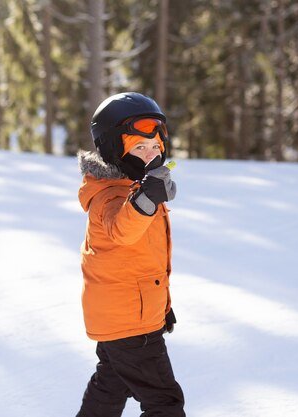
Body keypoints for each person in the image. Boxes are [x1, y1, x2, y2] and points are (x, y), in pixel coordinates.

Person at [76, 92, 185, 417]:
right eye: (140, 147)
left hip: (125, 315)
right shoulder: (109, 195)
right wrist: (145, 202)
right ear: (114, 150)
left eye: (156, 147)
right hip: (131, 324)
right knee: (164, 402)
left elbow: (141, 260)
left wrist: (159, 309)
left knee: (111, 387)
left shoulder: (132, 187)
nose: (151, 155)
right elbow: (121, 230)